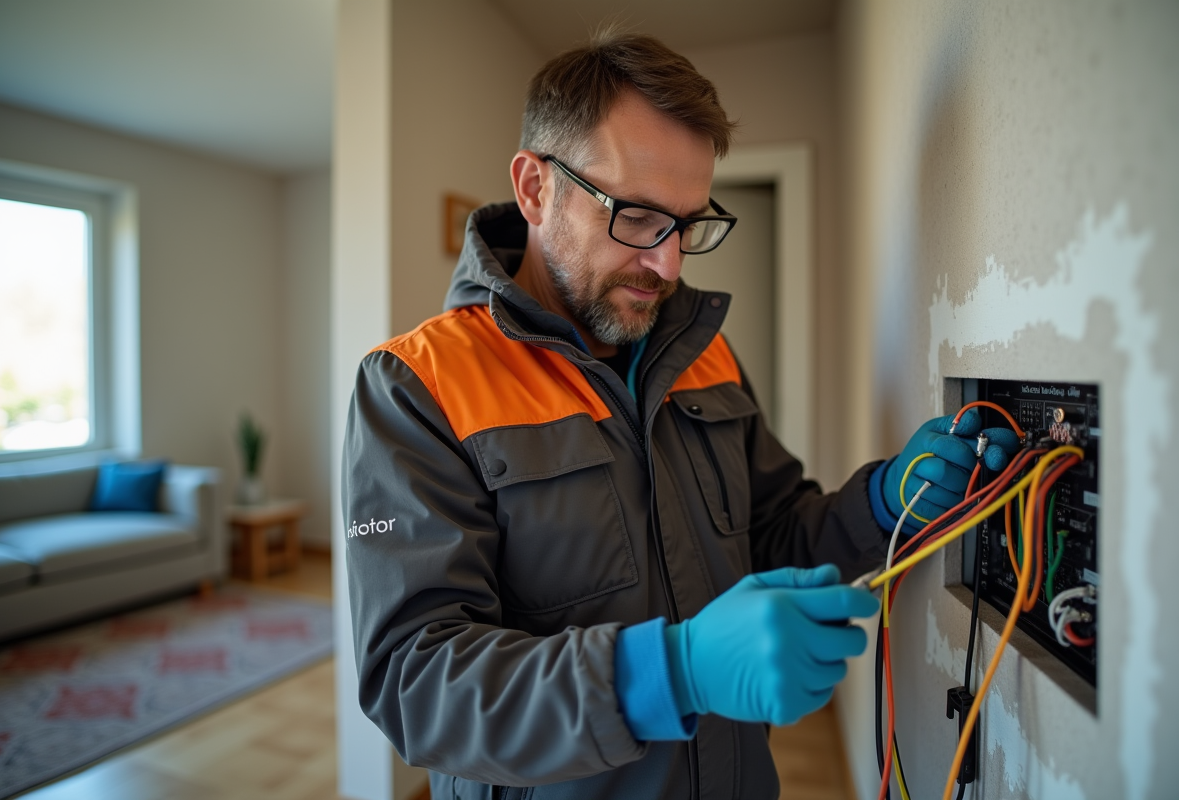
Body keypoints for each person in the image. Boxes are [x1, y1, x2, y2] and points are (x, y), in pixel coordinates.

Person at [341, 30, 1017, 800]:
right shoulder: (414, 387)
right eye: (635, 216)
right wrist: (673, 672)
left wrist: (884, 499)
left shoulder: (703, 354)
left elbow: (773, 533)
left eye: (688, 223)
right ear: (535, 188)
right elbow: (414, 681)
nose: (668, 263)